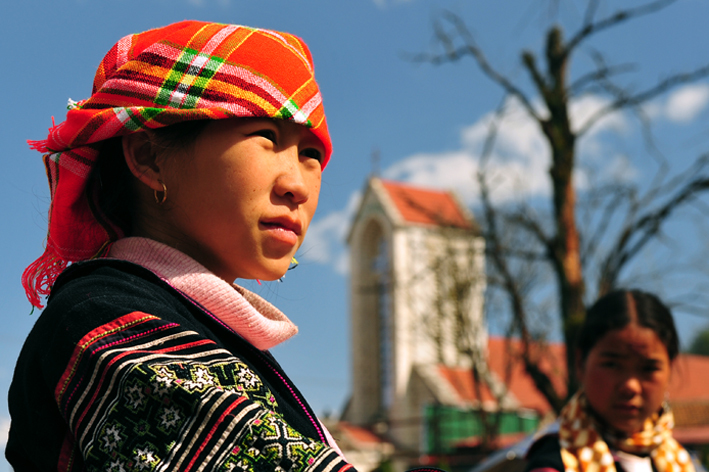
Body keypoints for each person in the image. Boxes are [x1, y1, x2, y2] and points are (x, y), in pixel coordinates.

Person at [7, 20, 352, 471]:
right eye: (266, 138)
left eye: (311, 155)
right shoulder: (105, 321)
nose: (298, 186)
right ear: (149, 157)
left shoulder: (196, 328)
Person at [525, 289, 696, 472]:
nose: (630, 386)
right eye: (612, 365)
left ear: (670, 369)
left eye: (648, 368)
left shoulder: (678, 460)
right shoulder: (553, 463)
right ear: (580, 364)